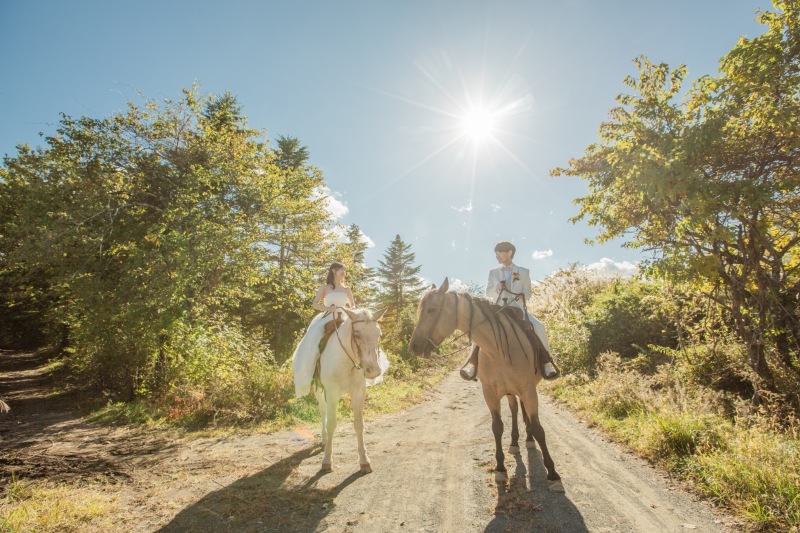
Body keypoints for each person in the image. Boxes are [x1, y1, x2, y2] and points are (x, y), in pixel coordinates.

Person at [460, 241, 559, 381]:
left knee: (539, 327)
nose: (497, 256)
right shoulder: (493, 273)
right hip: (498, 309)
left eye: (500, 253)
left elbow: (528, 292)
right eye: (496, 254)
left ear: (509, 253)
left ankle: (546, 363)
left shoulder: (524, 272)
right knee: (480, 329)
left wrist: (522, 295)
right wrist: (497, 289)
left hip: (517, 309)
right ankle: (473, 365)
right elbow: (488, 292)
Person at [291, 262, 389, 397]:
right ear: (333, 271)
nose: (344, 272)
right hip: (328, 317)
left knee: (361, 337)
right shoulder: (325, 288)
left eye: (344, 270)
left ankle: (364, 367)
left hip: (345, 318)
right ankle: (313, 372)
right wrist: (328, 309)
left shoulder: (347, 289)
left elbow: (353, 306)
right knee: (314, 337)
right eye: (341, 269)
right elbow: (315, 304)